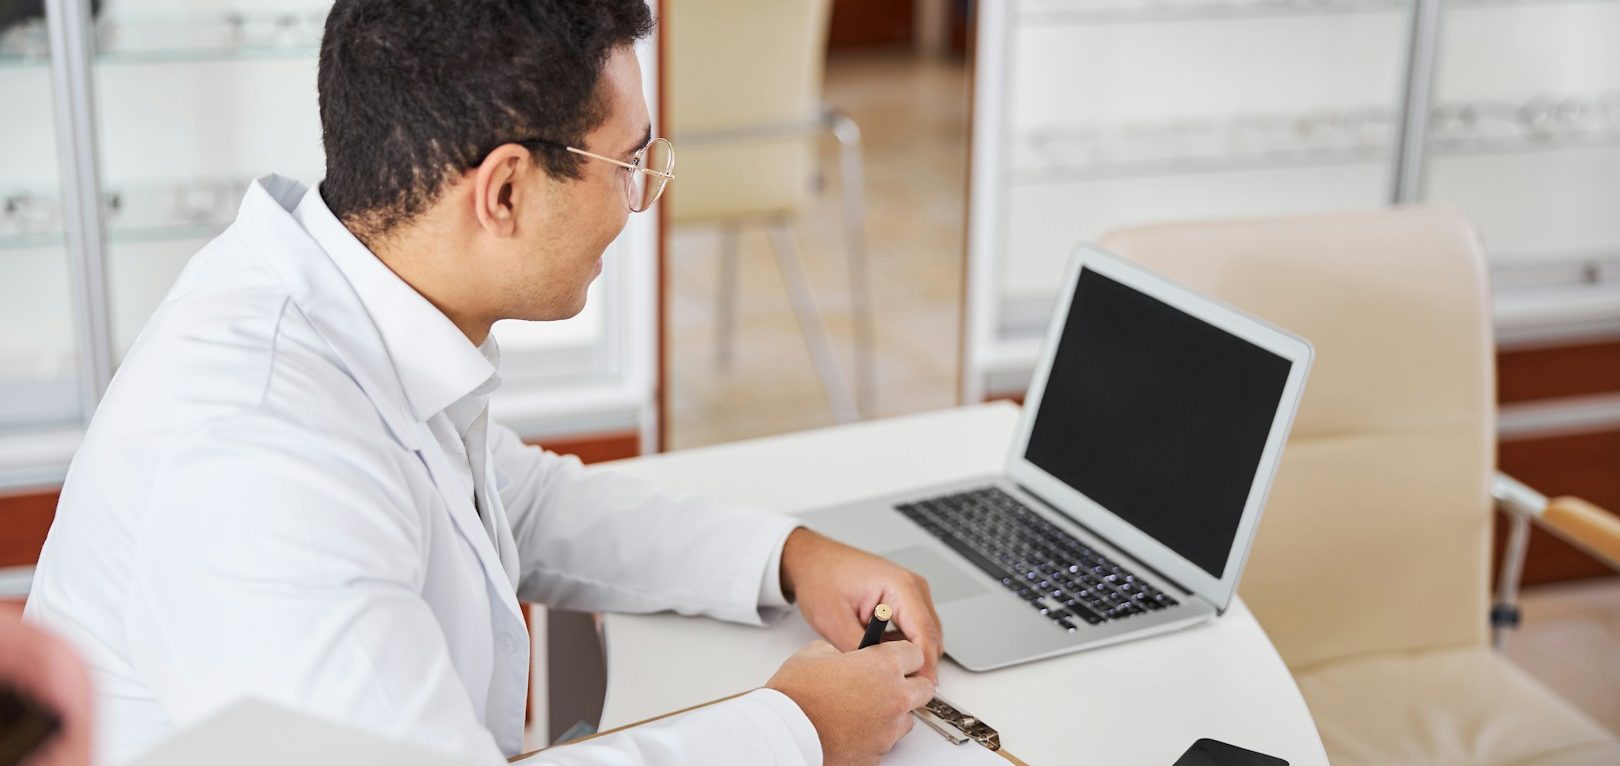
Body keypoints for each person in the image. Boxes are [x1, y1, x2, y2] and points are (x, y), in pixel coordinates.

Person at [22, 2, 943, 765]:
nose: (634, 206)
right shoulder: (259, 461)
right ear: (503, 192)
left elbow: (514, 499)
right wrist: (798, 731)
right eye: (627, 166)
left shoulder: (353, 303)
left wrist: (789, 556)